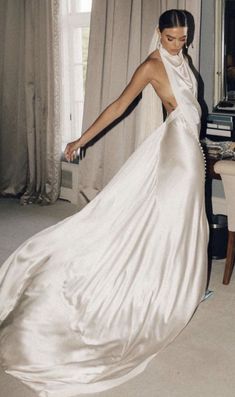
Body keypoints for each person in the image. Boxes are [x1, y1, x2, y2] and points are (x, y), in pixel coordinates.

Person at [0, 9, 208, 397]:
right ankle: (162, 291)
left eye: (183, 38)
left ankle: (172, 281)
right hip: (177, 151)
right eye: (171, 38)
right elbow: (119, 105)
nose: (179, 45)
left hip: (188, 146)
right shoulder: (151, 65)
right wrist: (81, 140)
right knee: (172, 217)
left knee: (176, 219)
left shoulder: (184, 58)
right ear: (158, 34)